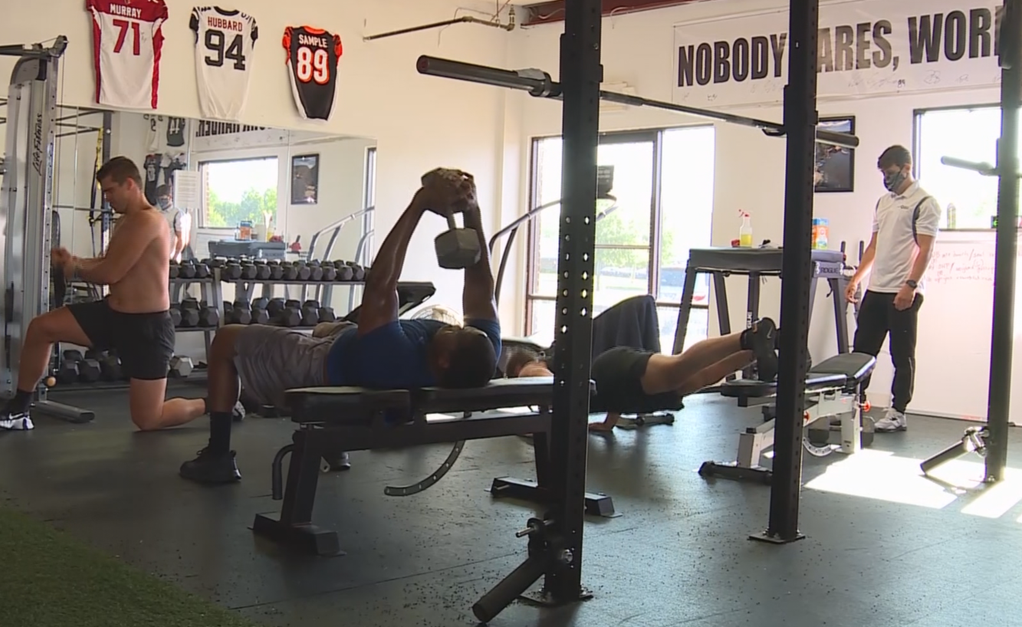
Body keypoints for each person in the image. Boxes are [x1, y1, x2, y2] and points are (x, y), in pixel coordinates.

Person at [178, 168, 503, 484]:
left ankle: (218, 456)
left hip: (322, 367)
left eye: (456, 332)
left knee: (225, 339)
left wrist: (419, 203)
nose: (456, 326)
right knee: (324, 327)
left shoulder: (395, 359)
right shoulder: (480, 353)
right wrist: (472, 212)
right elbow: (481, 290)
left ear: (444, 360)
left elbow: (380, 284)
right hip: (346, 345)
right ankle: (333, 446)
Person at [0, 157, 205, 432]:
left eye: (111, 191)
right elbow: (104, 261)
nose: (107, 198)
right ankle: (19, 409)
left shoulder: (148, 222)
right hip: (113, 315)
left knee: (148, 419)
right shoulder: (127, 221)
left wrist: (73, 269)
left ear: (130, 184)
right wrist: (73, 260)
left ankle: (215, 403)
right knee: (42, 328)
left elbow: (110, 273)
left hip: (147, 327)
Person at [506, 318, 779, 432]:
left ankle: (749, 336)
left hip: (613, 371)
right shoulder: (551, 367)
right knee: (700, 378)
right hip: (618, 390)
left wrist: (540, 424)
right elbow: (603, 397)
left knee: (677, 369)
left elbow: (544, 381)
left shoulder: (528, 368)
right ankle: (761, 349)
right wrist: (608, 422)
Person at [844, 145, 940, 433]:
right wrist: (857, 278)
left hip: (903, 291)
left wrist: (910, 286)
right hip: (877, 289)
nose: (887, 178)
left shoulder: (925, 203)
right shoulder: (883, 202)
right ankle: (854, 404)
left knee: (902, 354)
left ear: (906, 168)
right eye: (883, 174)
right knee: (862, 351)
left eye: (891, 173)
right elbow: (874, 245)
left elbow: (925, 250)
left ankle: (898, 411)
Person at [155, 184, 190, 262]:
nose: (161, 201)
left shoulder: (177, 214)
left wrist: (175, 256)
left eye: (163, 198)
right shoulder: (156, 212)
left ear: (170, 197)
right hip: (158, 257)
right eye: (159, 199)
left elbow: (181, 238)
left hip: (172, 257)